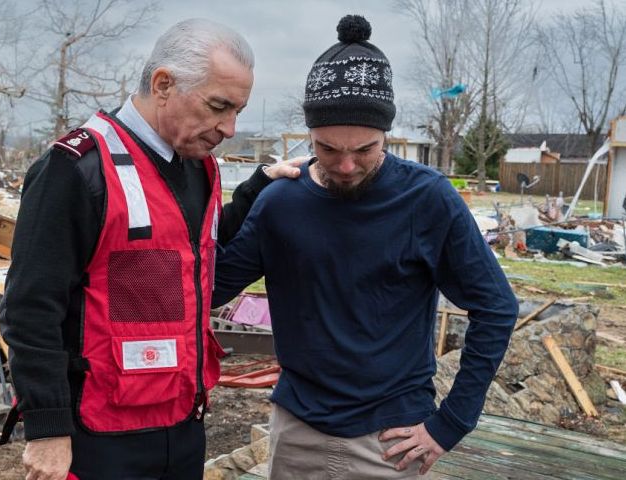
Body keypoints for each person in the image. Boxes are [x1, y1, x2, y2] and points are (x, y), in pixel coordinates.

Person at [212, 15, 519, 479]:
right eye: (328, 148)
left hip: (392, 441)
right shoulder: (281, 203)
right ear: (309, 134)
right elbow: (206, 288)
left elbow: (495, 307)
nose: (347, 165)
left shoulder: (427, 199)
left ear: (387, 136)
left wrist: (450, 423)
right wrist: (252, 190)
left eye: (366, 149)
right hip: (296, 431)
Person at [0, 18, 302, 480]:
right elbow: (30, 308)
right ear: (163, 84)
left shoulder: (199, 169)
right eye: (219, 106)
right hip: (99, 438)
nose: (229, 128)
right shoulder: (78, 169)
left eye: (237, 110)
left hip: (182, 426)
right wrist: (47, 430)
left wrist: (258, 187)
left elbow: (188, 256)